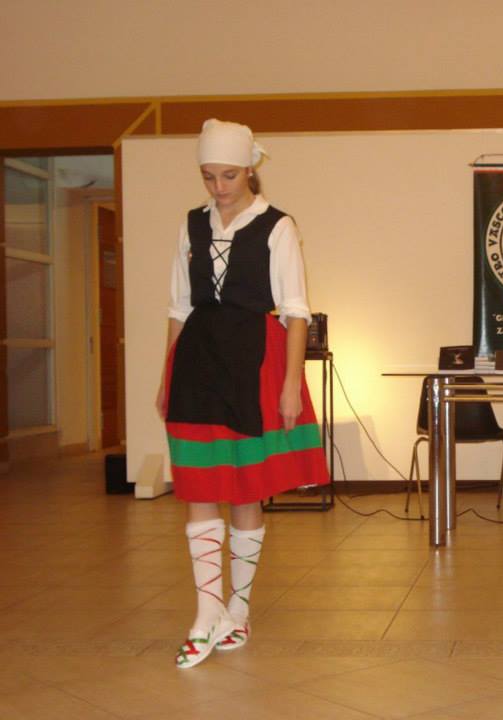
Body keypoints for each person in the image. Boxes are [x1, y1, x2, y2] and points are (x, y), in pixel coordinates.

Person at [156, 119, 329, 669]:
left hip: (255, 358)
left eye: (228, 175)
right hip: (198, 361)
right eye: (208, 177)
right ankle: (206, 613)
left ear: (249, 168)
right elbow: (179, 307)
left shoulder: (277, 226)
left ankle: (238, 606)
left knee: (246, 489)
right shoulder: (191, 225)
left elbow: (296, 310)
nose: (218, 187)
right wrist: (166, 376)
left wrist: (288, 388)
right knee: (199, 483)